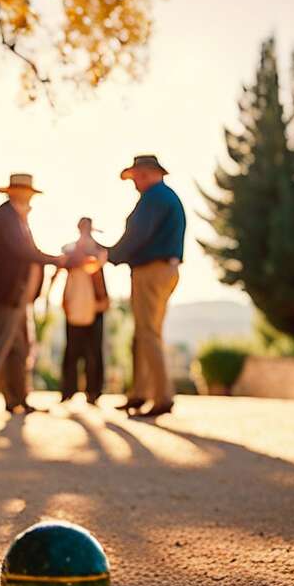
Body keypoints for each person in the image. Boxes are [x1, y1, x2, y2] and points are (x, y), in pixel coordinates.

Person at [0, 173, 73, 415]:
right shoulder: (5, 219)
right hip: (3, 295)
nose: (29, 199)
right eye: (26, 193)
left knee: (18, 348)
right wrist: (56, 260)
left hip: (17, 296)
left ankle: (17, 398)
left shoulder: (16, 219)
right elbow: (24, 252)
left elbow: (29, 251)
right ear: (14, 193)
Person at [103, 155, 186, 417]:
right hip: (163, 270)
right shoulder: (164, 197)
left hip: (152, 270)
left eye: (137, 176)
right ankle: (139, 393)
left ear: (149, 173)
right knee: (145, 333)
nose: (135, 182)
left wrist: (111, 255)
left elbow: (137, 235)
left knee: (148, 333)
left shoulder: (154, 198)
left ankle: (162, 396)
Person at [59, 217, 110, 405]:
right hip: (75, 304)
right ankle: (68, 390)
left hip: (94, 305)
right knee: (72, 350)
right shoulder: (72, 251)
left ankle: (94, 391)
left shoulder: (98, 250)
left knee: (93, 350)